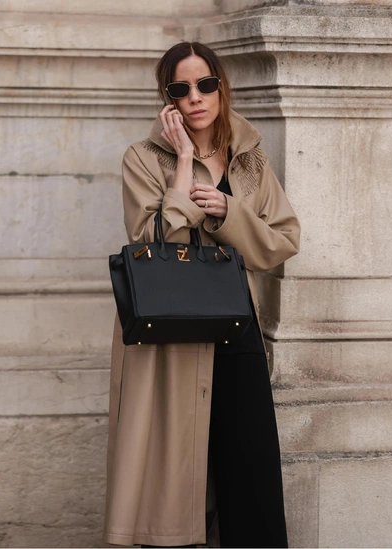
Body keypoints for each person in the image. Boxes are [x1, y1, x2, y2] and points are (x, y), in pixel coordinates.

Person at [103, 41, 300, 548]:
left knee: (250, 466)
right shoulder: (143, 159)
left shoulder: (249, 159)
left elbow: (281, 241)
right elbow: (150, 241)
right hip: (170, 330)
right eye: (182, 88)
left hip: (236, 324)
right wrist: (186, 162)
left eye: (206, 84)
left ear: (221, 87)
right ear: (168, 97)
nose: (196, 97)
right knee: (174, 474)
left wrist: (228, 212)